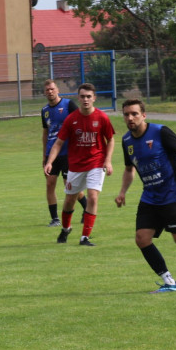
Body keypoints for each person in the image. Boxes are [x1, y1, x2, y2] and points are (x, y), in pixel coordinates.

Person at [115, 99, 176, 293]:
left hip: (171, 195)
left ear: (144, 115)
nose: (130, 118)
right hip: (149, 198)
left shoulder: (160, 132)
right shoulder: (127, 141)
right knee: (141, 238)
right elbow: (129, 169)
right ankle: (169, 281)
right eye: (126, 114)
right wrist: (122, 192)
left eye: (134, 113)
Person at [44, 82, 115, 246]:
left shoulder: (102, 117)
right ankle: (66, 228)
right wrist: (49, 162)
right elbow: (58, 143)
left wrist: (108, 160)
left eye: (89, 96)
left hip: (96, 163)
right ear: (78, 97)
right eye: (82, 96)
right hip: (75, 165)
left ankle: (85, 237)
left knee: (92, 196)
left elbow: (110, 139)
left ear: (94, 98)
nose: (85, 99)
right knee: (70, 200)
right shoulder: (72, 119)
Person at [40, 79, 87, 226]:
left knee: (70, 186)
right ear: (44, 92)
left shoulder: (68, 105)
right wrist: (44, 156)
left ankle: (87, 209)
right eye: (47, 90)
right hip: (51, 154)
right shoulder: (44, 111)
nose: (50, 92)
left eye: (52, 89)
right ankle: (55, 219)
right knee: (50, 184)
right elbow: (45, 133)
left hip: (68, 152)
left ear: (57, 90)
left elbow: (80, 123)